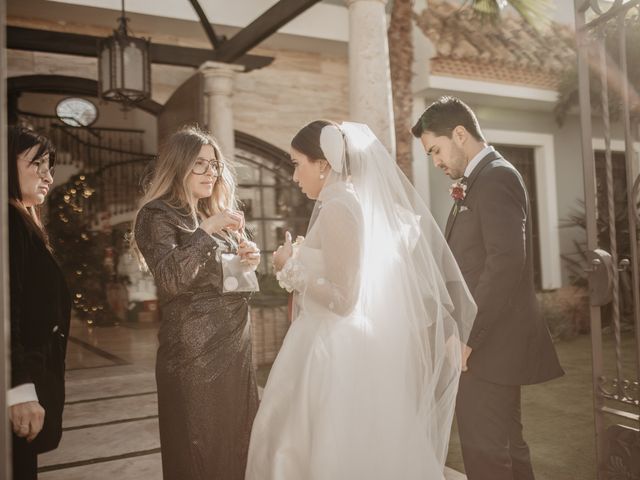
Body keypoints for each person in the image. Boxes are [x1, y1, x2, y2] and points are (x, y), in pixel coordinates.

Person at [245, 121, 476, 480]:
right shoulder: (341, 203)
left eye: (296, 163)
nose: (293, 175)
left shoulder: (340, 207)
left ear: (322, 164)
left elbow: (345, 297)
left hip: (331, 349)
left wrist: (289, 266)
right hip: (322, 339)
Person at [412, 96, 564, 480]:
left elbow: (505, 262)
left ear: (459, 134)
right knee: (505, 450)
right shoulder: (479, 180)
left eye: (436, 150)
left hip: (488, 345)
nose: (436, 162)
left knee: (488, 456)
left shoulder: (496, 176)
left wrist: (467, 337)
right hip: (487, 343)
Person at [133, 126, 260, 480]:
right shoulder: (156, 215)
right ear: (178, 166)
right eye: (200, 164)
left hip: (235, 346)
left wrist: (249, 260)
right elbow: (173, 278)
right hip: (194, 357)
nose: (211, 172)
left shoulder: (214, 212)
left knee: (238, 442)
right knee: (199, 449)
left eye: (215, 164)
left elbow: (232, 285)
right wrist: (206, 232)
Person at [8, 126, 71, 479]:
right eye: (38, 164)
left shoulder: (21, 219)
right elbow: (6, 311)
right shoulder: (8, 222)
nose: (48, 176)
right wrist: (18, 389)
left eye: (51, 167)